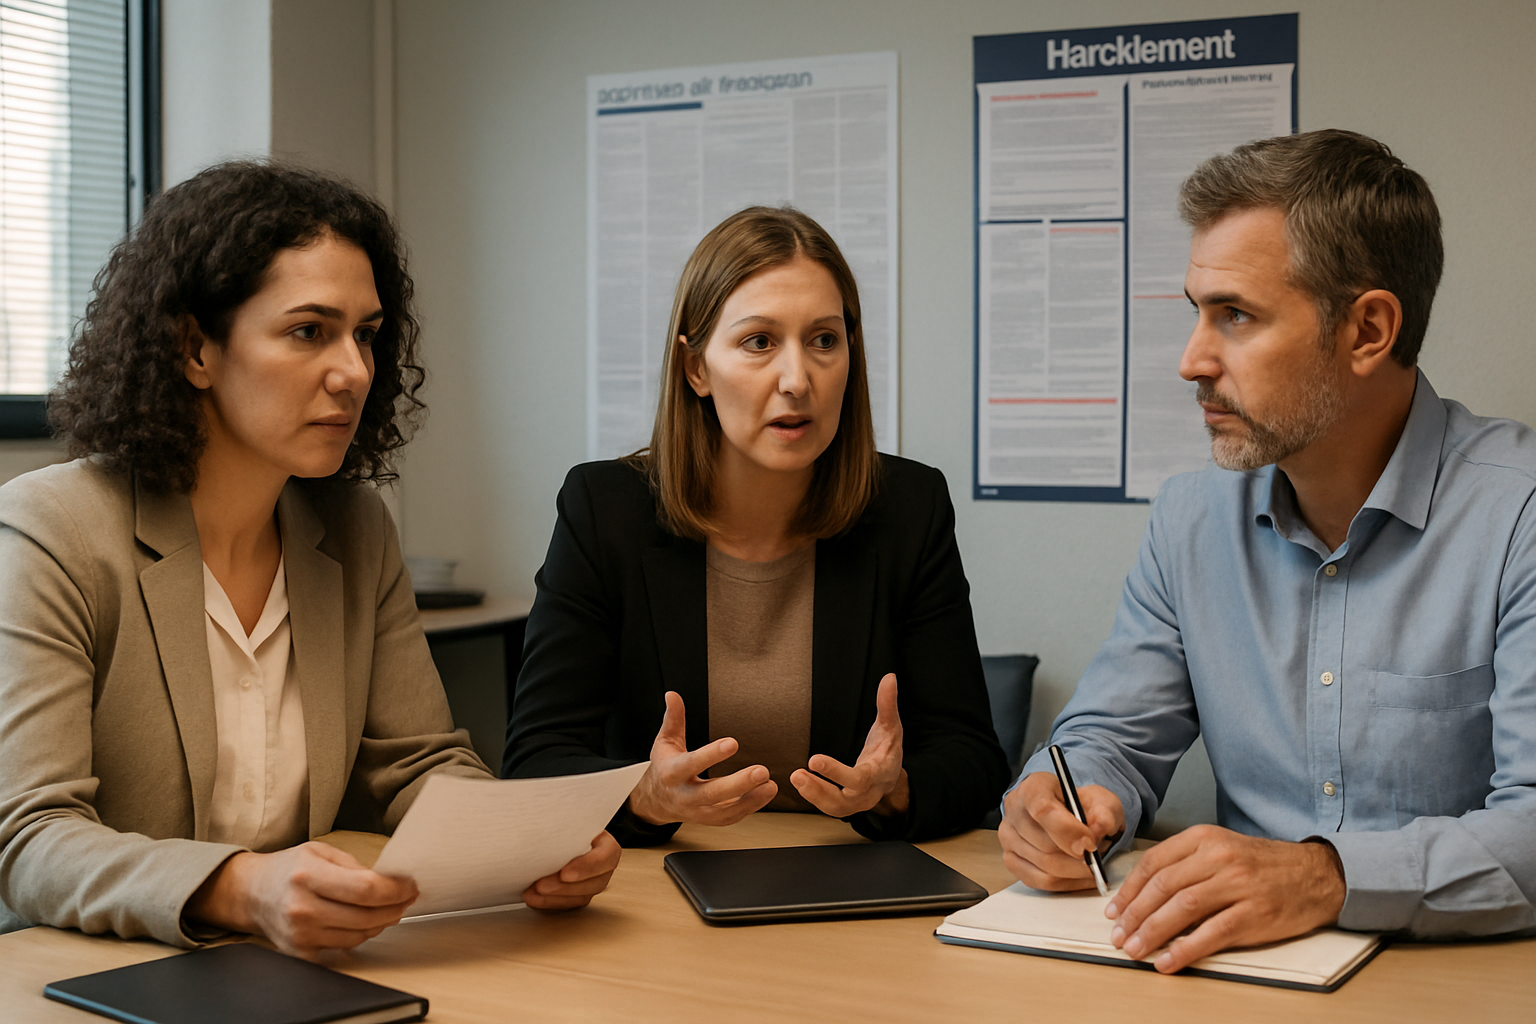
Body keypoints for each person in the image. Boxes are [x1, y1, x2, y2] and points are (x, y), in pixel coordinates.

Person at [0, 162, 619, 958]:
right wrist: (240, 887)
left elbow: (419, 762)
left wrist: (527, 845)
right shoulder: (53, 529)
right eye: (309, 331)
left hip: (288, 970)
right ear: (194, 348)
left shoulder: (353, 527)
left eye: (365, 334)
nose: (355, 371)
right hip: (90, 974)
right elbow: (31, 835)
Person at [999, 129, 1536, 972]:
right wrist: (1064, 798)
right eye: (1196, 313)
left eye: (1236, 317)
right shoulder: (1189, 519)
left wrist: (1325, 877)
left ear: (1368, 330)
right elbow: (1110, 735)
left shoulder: (1520, 515)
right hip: (1226, 977)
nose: (1190, 361)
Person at [504, 206, 1009, 845]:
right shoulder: (605, 509)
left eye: (824, 340)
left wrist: (892, 790)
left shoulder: (909, 508)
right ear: (695, 368)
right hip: (653, 896)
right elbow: (533, 763)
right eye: (759, 342)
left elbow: (973, 758)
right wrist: (649, 796)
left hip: (847, 891)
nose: (797, 380)